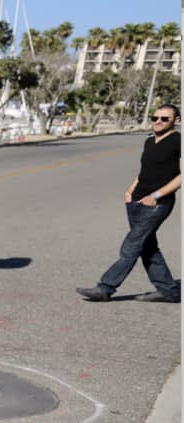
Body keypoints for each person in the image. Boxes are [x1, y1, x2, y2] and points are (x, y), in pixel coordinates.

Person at [76, 104, 182, 303]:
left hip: (157, 204)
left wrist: (156, 195)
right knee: (148, 247)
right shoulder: (149, 141)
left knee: (131, 246)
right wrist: (130, 190)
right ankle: (168, 290)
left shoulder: (178, 141)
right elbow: (145, 172)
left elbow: (181, 176)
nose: (158, 121)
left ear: (176, 121)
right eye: (155, 117)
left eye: (164, 118)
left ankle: (105, 288)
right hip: (136, 201)